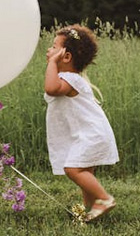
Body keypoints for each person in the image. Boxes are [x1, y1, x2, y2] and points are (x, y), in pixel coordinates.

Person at [44, 24, 119, 222]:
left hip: (91, 134)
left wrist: (52, 63)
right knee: (85, 172)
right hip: (88, 133)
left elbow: (51, 88)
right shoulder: (71, 78)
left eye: (53, 47)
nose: (48, 51)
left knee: (73, 169)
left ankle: (104, 199)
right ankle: (89, 210)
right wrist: (53, 61)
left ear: (66, 57)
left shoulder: (69, 79)